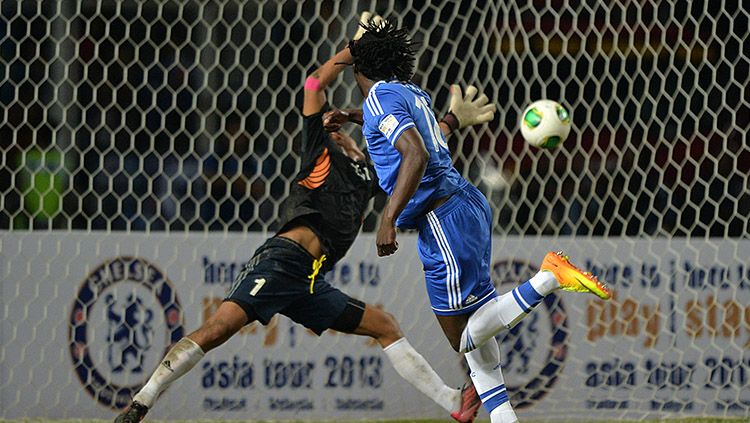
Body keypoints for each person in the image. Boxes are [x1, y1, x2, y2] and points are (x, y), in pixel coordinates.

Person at [114, 14, 492, 423]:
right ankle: (142, 402)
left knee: (384, 325)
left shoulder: (366, 173)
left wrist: (452, 121)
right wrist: (355, 50)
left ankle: (454, 404)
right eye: (336, 129)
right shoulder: (319, 151)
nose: (344, 134)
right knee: (220, 328)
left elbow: (413, 144)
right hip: (284, 260)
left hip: (312, 279)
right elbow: (314, 84)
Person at [328, 19, 614, 423]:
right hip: (462, 208)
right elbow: (412, 133)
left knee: (464, 339)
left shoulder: (380, 99)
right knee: (482, 357)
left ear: (359, 62)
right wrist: (351, 115)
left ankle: (548, 277)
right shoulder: (407, 93)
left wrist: (387, 218)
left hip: (442, 218)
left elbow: (415, 154)